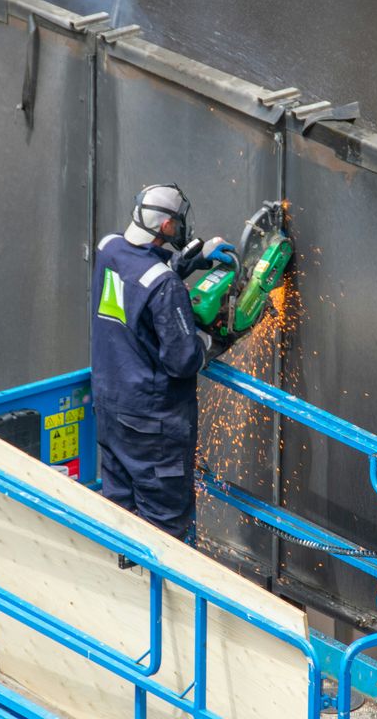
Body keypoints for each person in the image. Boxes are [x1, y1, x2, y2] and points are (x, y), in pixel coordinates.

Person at [90, 183, 233, 540]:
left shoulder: (108, 249)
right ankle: (159, 595)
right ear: (166, 225)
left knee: (121, 514)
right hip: (152, 427)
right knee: (165, 528)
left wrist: (188, 261)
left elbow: (138, 277)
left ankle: (122, 586)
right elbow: (183, 361)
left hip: (111, 409)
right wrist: (211, 340)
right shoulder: (165, 286)